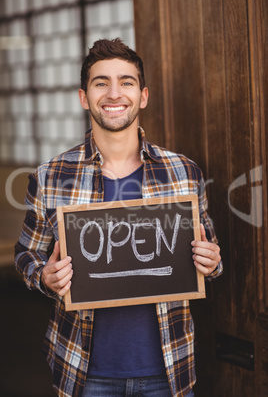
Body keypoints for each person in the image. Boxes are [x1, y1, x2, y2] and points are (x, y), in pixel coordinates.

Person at [15, 38, 222, 397]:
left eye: (126, 82)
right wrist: (43, 276)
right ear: (84, 97)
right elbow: (25, 255)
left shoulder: (183, 171)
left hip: (169, 368)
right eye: (101, 83)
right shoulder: (50, 175)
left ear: (143, 96)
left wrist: (212, 260)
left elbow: (209, 255)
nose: (114, 94)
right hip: (83, 371)